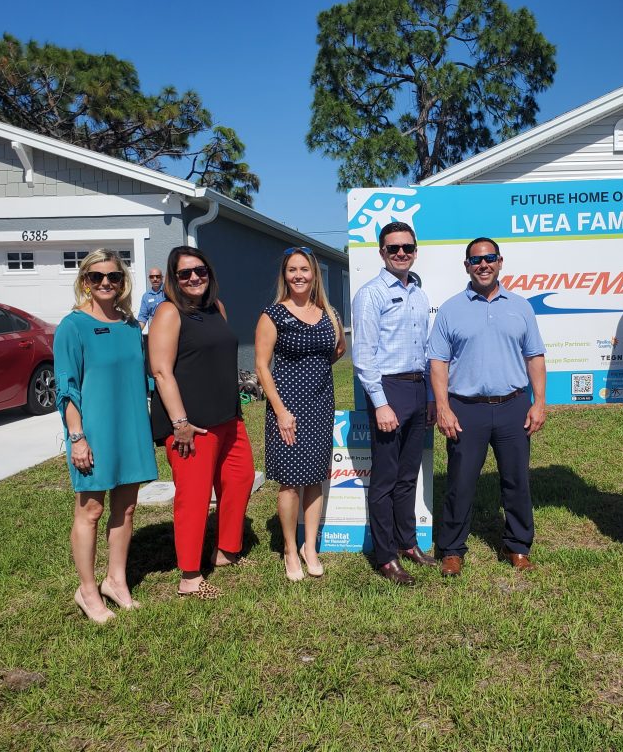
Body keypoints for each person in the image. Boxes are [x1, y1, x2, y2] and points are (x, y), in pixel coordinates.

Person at [427, 238, 547, 578]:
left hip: (513, 407)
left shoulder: (521, 306)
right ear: (467, 265)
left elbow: (534, 356)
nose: (483, 264)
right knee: (460, 482)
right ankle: (452, 549)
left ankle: (518, 546)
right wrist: (443, 407)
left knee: (516, 481)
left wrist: (539, 402)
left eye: (489, 258)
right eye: (476, 260)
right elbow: (438, 362)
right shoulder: (451, 309)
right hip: (466, 409)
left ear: (500, 262)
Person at [55, 248, 158, 623]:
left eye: (113, 277)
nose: (105, 283)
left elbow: (144, 377)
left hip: (131, 426)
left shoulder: (131, 326)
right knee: (91, 510)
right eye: (96, 277)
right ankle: (86, 590)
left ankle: (116, 580)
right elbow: (66, 387)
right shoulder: (73, 325)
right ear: (85, 281)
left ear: (122, 282)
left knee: (127, 508)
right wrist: (77, 436)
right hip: (93, 431)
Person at [149, 246, 256, 599]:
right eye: (185, 273)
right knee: (193, 498)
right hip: (191, 426)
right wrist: (180, 421)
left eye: (200, 271)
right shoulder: (168, 312)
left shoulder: (216, 309)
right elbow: (162, 372)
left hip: (227, 418)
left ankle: (226, 551)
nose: (194, 278)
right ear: (173, 279)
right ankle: (190, 576)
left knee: (239, 479)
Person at [352, 221, 436, 586]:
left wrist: (431, 396)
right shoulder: (371, 294)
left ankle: (407, 544)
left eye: (407, 247)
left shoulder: (418, 291)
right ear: (382, 252)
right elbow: (364, 356)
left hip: (417, 389)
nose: (401, 253)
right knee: (385, 480)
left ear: (415, 250)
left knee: (408, 477)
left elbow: (426, 351)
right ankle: (385, 556)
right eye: (393, 248)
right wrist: (381, 403)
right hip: (389, 390)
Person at [254, 247, 345, 582]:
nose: (298, 275)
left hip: (321, 403)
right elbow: (262, 367)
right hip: (288, 406)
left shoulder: (328, 313)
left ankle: (310, 547)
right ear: (285, 275)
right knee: (291, 482)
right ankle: (290, 550)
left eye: (304, 269)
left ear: (313, 274)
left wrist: (316, 372)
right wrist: (281, 411)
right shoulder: (273, 314)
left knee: (315, 479)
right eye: (292, 270)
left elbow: (337, 351)